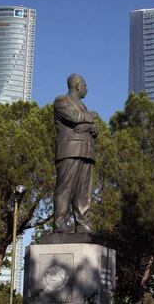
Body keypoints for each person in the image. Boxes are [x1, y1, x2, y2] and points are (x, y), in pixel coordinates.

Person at [53, 74, 98, 232]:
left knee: (83, 191)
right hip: (69, 150)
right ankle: (59, 223)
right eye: (85, 85)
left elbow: (94, 130)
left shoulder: (83, 106)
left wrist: (86, 125)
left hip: (87, 151)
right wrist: (91, 117)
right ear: (77, 85)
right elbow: (74, 117)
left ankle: (82, 222)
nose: (87, 89)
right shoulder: (61, 101)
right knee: (65, 188)